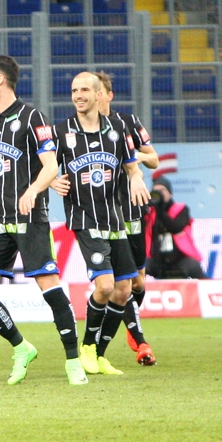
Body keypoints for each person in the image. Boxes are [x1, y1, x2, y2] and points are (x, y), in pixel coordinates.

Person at [0, 55, 88, 386]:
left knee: (50, 289)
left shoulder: (32, 117)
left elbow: (51, 166)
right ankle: (22, 347)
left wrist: (34, 190)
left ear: (0, 81)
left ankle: (74, 361)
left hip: (29, 220)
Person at [50, 72, 150, 377]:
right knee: (105, 286)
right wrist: (53, 179)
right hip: (85, 219)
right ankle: (87, 348)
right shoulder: (62, 131)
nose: (78, 95)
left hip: (116, 219)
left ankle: (101, 355)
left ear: (98, 95)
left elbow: (133, 166)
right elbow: (41, 166)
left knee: (123, 291)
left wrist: (135, 179)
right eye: (73, 91)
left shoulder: (118, 128)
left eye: (83, 90)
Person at [94, 72, 159, 367]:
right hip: (105, 212)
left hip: (133, 209)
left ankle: (128, 322)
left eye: (98, 91)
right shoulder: (83, 129)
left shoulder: (128, 123)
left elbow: (154, 158)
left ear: (109, 95)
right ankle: (140, 339)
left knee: (137, 282)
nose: (93, 96)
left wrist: (133, 160)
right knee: (123, 280)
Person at [144, 176, 207, 279]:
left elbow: (175, 227)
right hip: (157, 260)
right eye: (156, 191)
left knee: (194, 266)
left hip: (180, 259)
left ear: (170, 193)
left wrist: (160, 208)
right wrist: (146, 204)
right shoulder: (150, 212)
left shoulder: (181, 209)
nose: (160, 193)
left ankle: (211, 291)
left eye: (163, 190)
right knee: (140, 268)